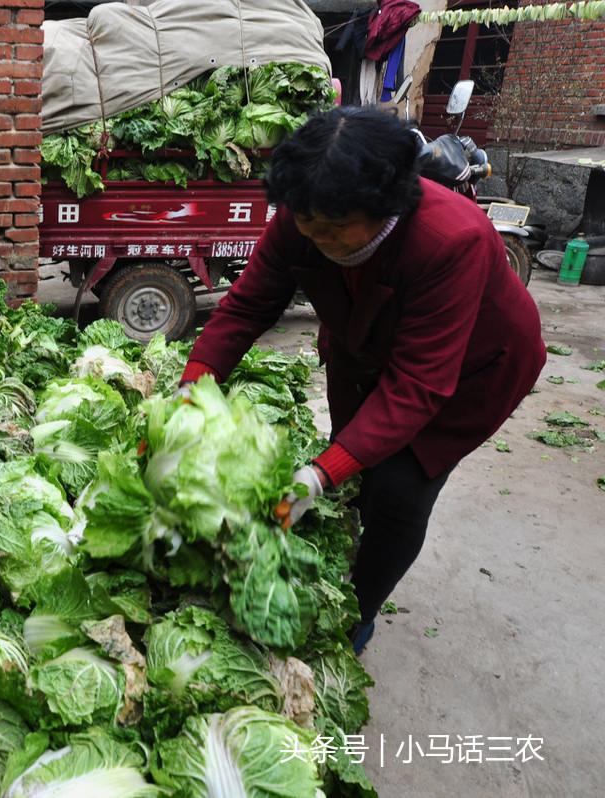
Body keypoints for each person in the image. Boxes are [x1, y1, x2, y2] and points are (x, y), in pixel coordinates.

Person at [179, 106, 546, 655]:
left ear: (387, 204)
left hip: (469, 367)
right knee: (354, 462)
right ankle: (342, 531)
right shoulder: (303, 218)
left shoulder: (451, 240)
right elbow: (244, 309)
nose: (317, 236)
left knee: (400, 487)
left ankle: (360, 608)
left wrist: (319, 475)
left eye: (334, 228)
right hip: (364, 342)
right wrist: (192, 393)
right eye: (308, 224)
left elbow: (418, 384)